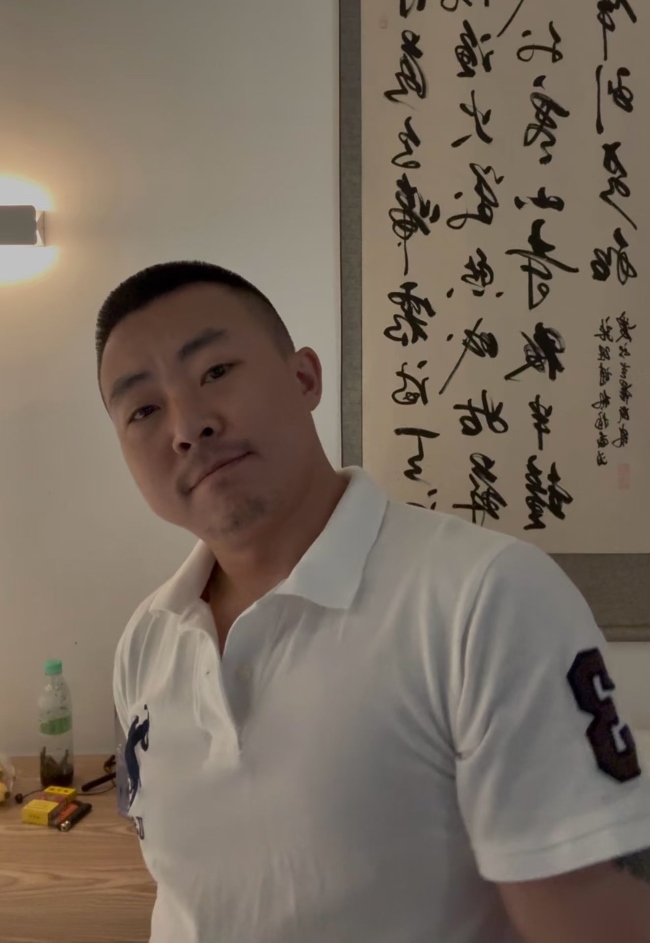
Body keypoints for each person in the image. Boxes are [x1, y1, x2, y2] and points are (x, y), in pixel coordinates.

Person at [97, 260, 650, 943]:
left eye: (215, 372)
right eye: (143, 410)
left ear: (304, 378)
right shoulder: (146, 639)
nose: (188, 426)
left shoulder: (487, 598)